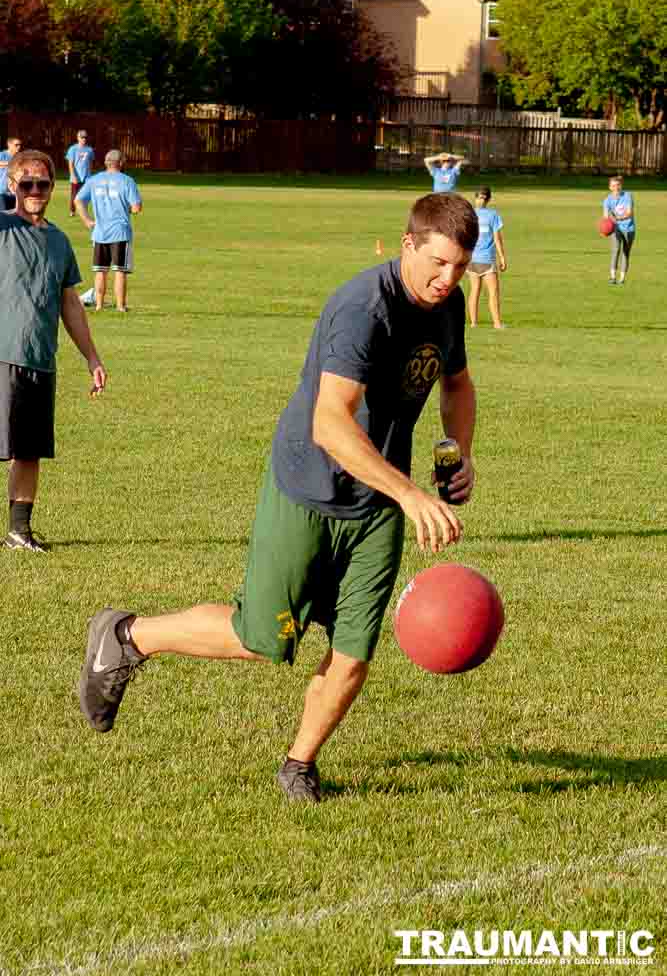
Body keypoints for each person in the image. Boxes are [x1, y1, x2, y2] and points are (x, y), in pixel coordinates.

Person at [78, 192, 479, 803]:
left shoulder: (446, 310)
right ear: (408, 244)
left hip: (376, 509)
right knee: (261, 639)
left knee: (353, 651)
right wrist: (411, 495)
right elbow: (330, 422)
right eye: (439, 262)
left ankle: (299, 764)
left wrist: (458, 449)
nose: (448, 279)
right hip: (311, 489)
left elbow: (457, 381)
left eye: (459, 266)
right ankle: (130, 636)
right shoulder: (361, 309)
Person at [0, 149, 107, 552]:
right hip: (2, 354)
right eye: (25, 183)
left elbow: (69, 303)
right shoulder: (3, 227)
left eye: (42, 184)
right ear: (12, 186)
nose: (34, 191)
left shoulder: (59, 241)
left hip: (40, 358)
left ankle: (19, 532)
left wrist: (92, 357)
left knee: (29, 450)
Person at [75, 150, 142, 313]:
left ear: (106, 163)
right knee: (120, 270)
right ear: (121, 162)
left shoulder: (94, 180)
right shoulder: (127, 181)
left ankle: (98, 305)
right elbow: (136, 207)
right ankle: (120, 306)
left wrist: (87, 220)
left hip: (100, 232)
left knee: (100, 270)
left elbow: (78, 200)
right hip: (120, 232)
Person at [466, 186, 507, 329]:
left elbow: (497, 238)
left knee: (492, 292)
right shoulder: (469, 215)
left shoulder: (493, 215)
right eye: (479, 197)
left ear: (488, 199)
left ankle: (495, 323)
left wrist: (502, 257)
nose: (481, 200)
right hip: (475, 260)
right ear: (475, 197)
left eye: (484, 198)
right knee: (476, 290)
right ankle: (474, 323)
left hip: (487, 259)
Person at [603, 175, 636, 285]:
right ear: (610, 187)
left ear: (621, 186)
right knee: (616, 250)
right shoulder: (607, 201)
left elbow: (629, 213)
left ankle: (622, 279)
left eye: (618, 185)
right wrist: (605, 229)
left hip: (629, 229)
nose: (616, 188)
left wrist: (618, 218)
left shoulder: (627, 196)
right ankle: (612, 277)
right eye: (613, 186)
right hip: (616, 229)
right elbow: (606, 218)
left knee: (626, 253)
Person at [65, 129, 95, 217]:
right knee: (74, 195)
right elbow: (70, 163)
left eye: (85, 137)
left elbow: (90, 163)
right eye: (82, 137)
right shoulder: (73, 149)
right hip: (76, 177)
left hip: (86, 177)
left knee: (85, 195)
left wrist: (90, 174)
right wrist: (73, 175)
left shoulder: (89, 150)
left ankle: (83, 211)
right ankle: (72, 211)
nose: (84, 139)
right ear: (78, 138)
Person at [0, 137, 22, 211]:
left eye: (19, 145)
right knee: (3, 216)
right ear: (9, 144)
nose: (19, 147)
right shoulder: (2, 154)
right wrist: (10, 163)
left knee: (13, 215)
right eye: (16, 145)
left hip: (14, 192)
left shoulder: (19, 157)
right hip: (2, 192)